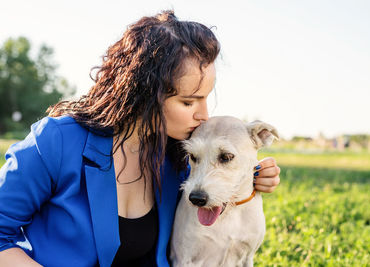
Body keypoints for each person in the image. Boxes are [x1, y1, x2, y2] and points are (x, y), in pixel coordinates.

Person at [0, 10, 281, 267]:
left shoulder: (181, 157)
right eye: (188, 102)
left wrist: (254, 175)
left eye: (206, 98)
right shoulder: (56, 142)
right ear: (145, 94)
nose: (204, 115)